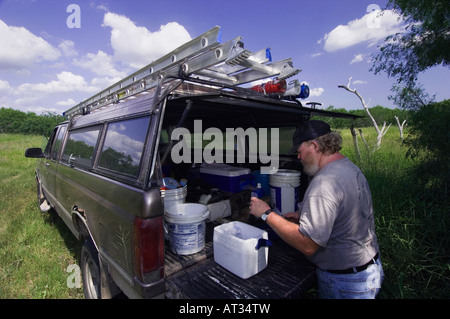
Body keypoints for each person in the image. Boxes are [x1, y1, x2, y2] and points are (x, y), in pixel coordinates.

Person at [249, 120, 384, 299]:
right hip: (368, 271)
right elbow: (345, 210)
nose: (298, 157)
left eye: (299, 151)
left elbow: (308, 245)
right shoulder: (349, 167)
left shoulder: (324, 182)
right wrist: (303, 215)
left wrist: (267, 213)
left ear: (314, 146)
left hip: (345, 283)